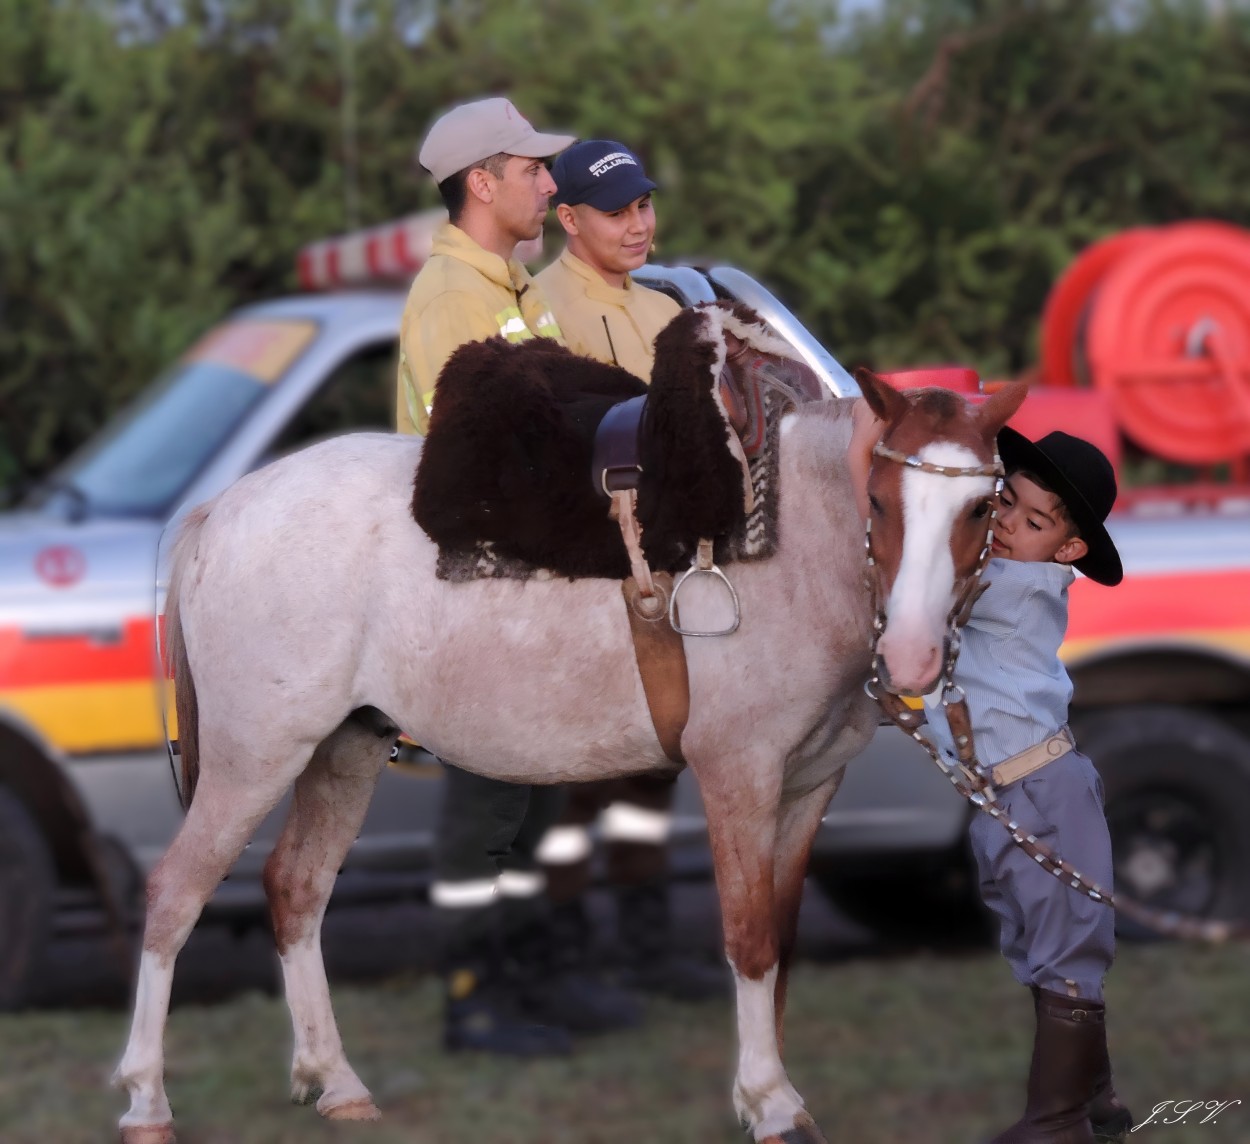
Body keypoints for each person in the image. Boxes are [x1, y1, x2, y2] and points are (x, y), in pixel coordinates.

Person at [398, 97, 639, 1056]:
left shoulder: (513, 286)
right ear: (481, 183)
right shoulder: (455, 299)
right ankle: (472, 998)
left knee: (539, 804)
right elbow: (480, 461)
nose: (551, 180)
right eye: (532, 168)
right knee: (487, 811)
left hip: (534, 589)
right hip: (481, 594)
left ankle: (536, 975)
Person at [853, 414, 1134, 1143]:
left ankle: (1056, 1122)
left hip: (1044, 791)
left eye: (1035, 520)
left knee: (1065, 954)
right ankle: (1096, 1099)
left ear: (1067, 548)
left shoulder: (1018, 586)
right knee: (1041, 949)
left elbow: (923, 597)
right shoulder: (994, 570)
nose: (1009, 524)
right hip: (1004, 798)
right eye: (1006, 502)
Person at [529, 140, 728, 1001]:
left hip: (669, 572)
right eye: (618, 210)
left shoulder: (666, 311)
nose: (639, 223)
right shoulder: (538, 311)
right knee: (581, 782)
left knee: (655, 765)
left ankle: (648, 951)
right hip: (587, 578)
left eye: (645, 204)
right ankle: (569, 955)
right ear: (568, 220)